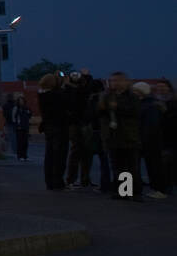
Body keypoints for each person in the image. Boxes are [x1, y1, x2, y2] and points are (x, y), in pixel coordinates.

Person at [99, 71, 142, 201]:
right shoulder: (108, 97)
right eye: (112, 81)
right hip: (113, 136)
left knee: (131, 166)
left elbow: (135, 112)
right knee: (118, 166)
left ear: (125, 82)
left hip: (129, 136)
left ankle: (134, 192)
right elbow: (100, 113)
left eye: (118, 80)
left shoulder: (132, 97)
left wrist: (117, 108)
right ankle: (123, 191)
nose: (115, 83)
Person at [136, 82, 167, 200]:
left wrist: (143, 139)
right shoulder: (146, 103)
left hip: (150, 141)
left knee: (154, 166)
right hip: (147, 139)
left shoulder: (149, 105)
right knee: (151, 166)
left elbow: (150, 126)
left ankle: (159, 190)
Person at [37, 71, 68, 191]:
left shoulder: (43, 95)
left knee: (50, 155)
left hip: (49, 128)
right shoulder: (57, 95)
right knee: (59, 155)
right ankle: (58, 181)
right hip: (59, 127)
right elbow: (65, 100)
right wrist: (65, 84)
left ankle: (49, 181)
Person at [62, 70, 91, 188]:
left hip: (80, 122)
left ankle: (80, 179)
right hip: (76, 123)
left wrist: (86, 77)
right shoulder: (69, 91)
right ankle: (73, 179)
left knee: (83, 152)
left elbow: (87, 89)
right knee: (78, 151)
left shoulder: (81, 90)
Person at [12, 94, 31, 161]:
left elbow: (29, 115)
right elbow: (13, 118)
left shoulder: (26, 108)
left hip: (25, 127)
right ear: (18, 102)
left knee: (25, 143)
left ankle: (25, 155)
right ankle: (20, 156)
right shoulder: (16, 108)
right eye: (20, 101)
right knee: (20, 142)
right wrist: (17, 125)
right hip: (19, 128)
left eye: (22, 101)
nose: (21, 102)